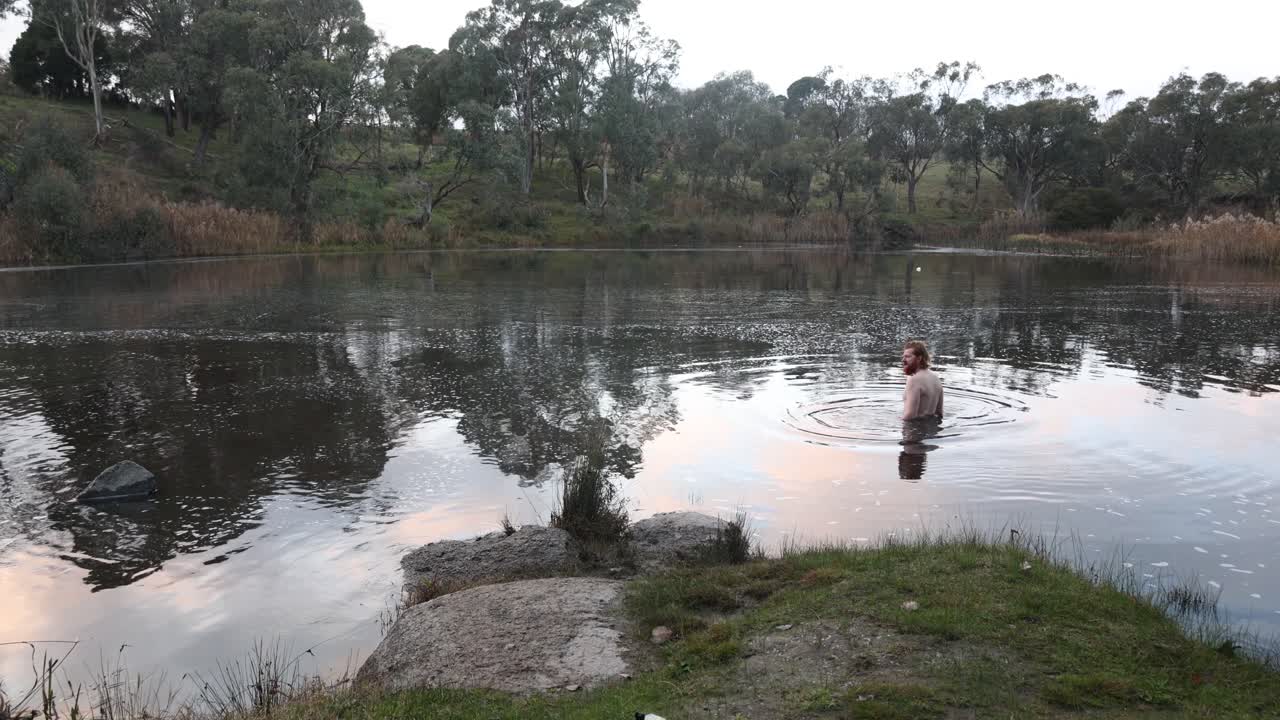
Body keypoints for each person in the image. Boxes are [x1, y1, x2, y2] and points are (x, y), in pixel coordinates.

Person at [901, 340, 943, 420]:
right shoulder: (936, 378)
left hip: (915, 429)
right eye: (903, 356)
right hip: (931, 430)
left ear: (919, 358)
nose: (903, 360)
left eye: (907, 357)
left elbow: (910, 415)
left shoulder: (914, 379)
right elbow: (939, 413)